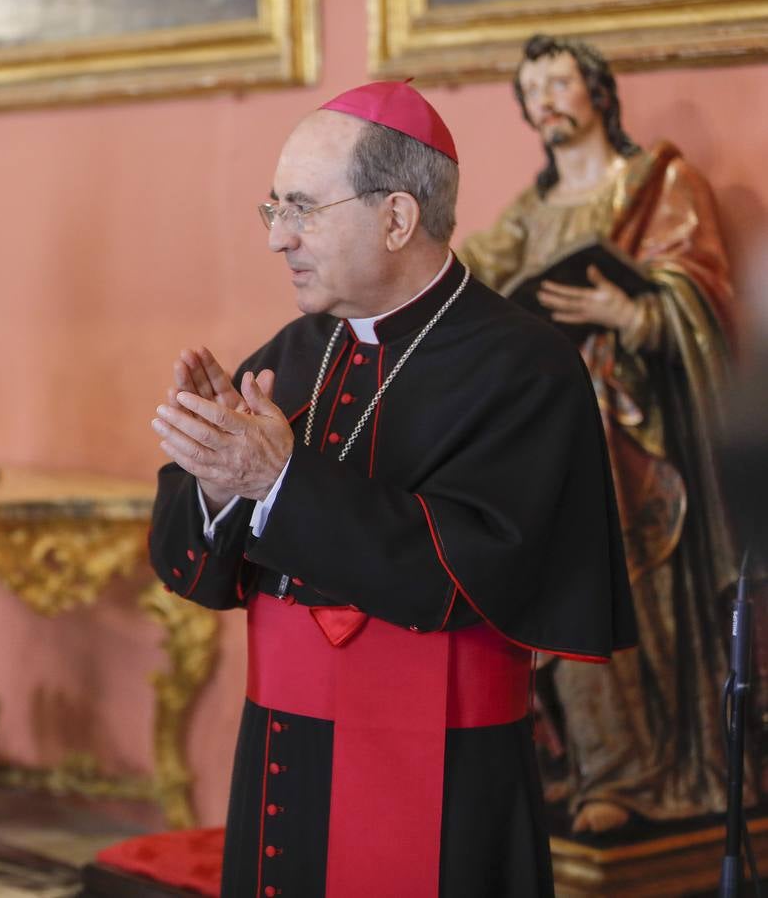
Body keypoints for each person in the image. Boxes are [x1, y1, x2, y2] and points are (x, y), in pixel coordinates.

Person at [149, 81, 635, 896]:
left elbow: (471, 568)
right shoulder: (295, 351)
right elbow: (193, 565)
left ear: (397, 218)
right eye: (273, 208)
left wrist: (279, 480)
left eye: (301, 208)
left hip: (446, 761)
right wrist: (214, 480)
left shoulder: (526, 368)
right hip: (285, 747)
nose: (279, 239)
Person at [460, 34, 743, 833]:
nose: (544, 99)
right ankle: (582, 762)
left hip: (641, 442)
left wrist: (634, 314)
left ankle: (642, 768)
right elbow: (477, 267)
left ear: (598, 93)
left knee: (622, 589)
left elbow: (703, 301)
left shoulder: (660, 183)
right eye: (532, 89)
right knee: (545, 575)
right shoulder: (532, 208)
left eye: (559, 83)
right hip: (551, 434)